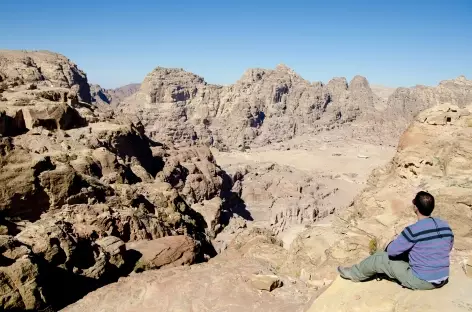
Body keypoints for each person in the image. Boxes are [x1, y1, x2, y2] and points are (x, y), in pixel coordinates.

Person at [337, 191, 454, 290]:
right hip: (443, 277)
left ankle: (354, 273)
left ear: (415, 208)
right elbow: (447, 247)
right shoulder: (445, 226)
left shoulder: (413, 230)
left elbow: (392, 252)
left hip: (423, 280)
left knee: (379, 258)